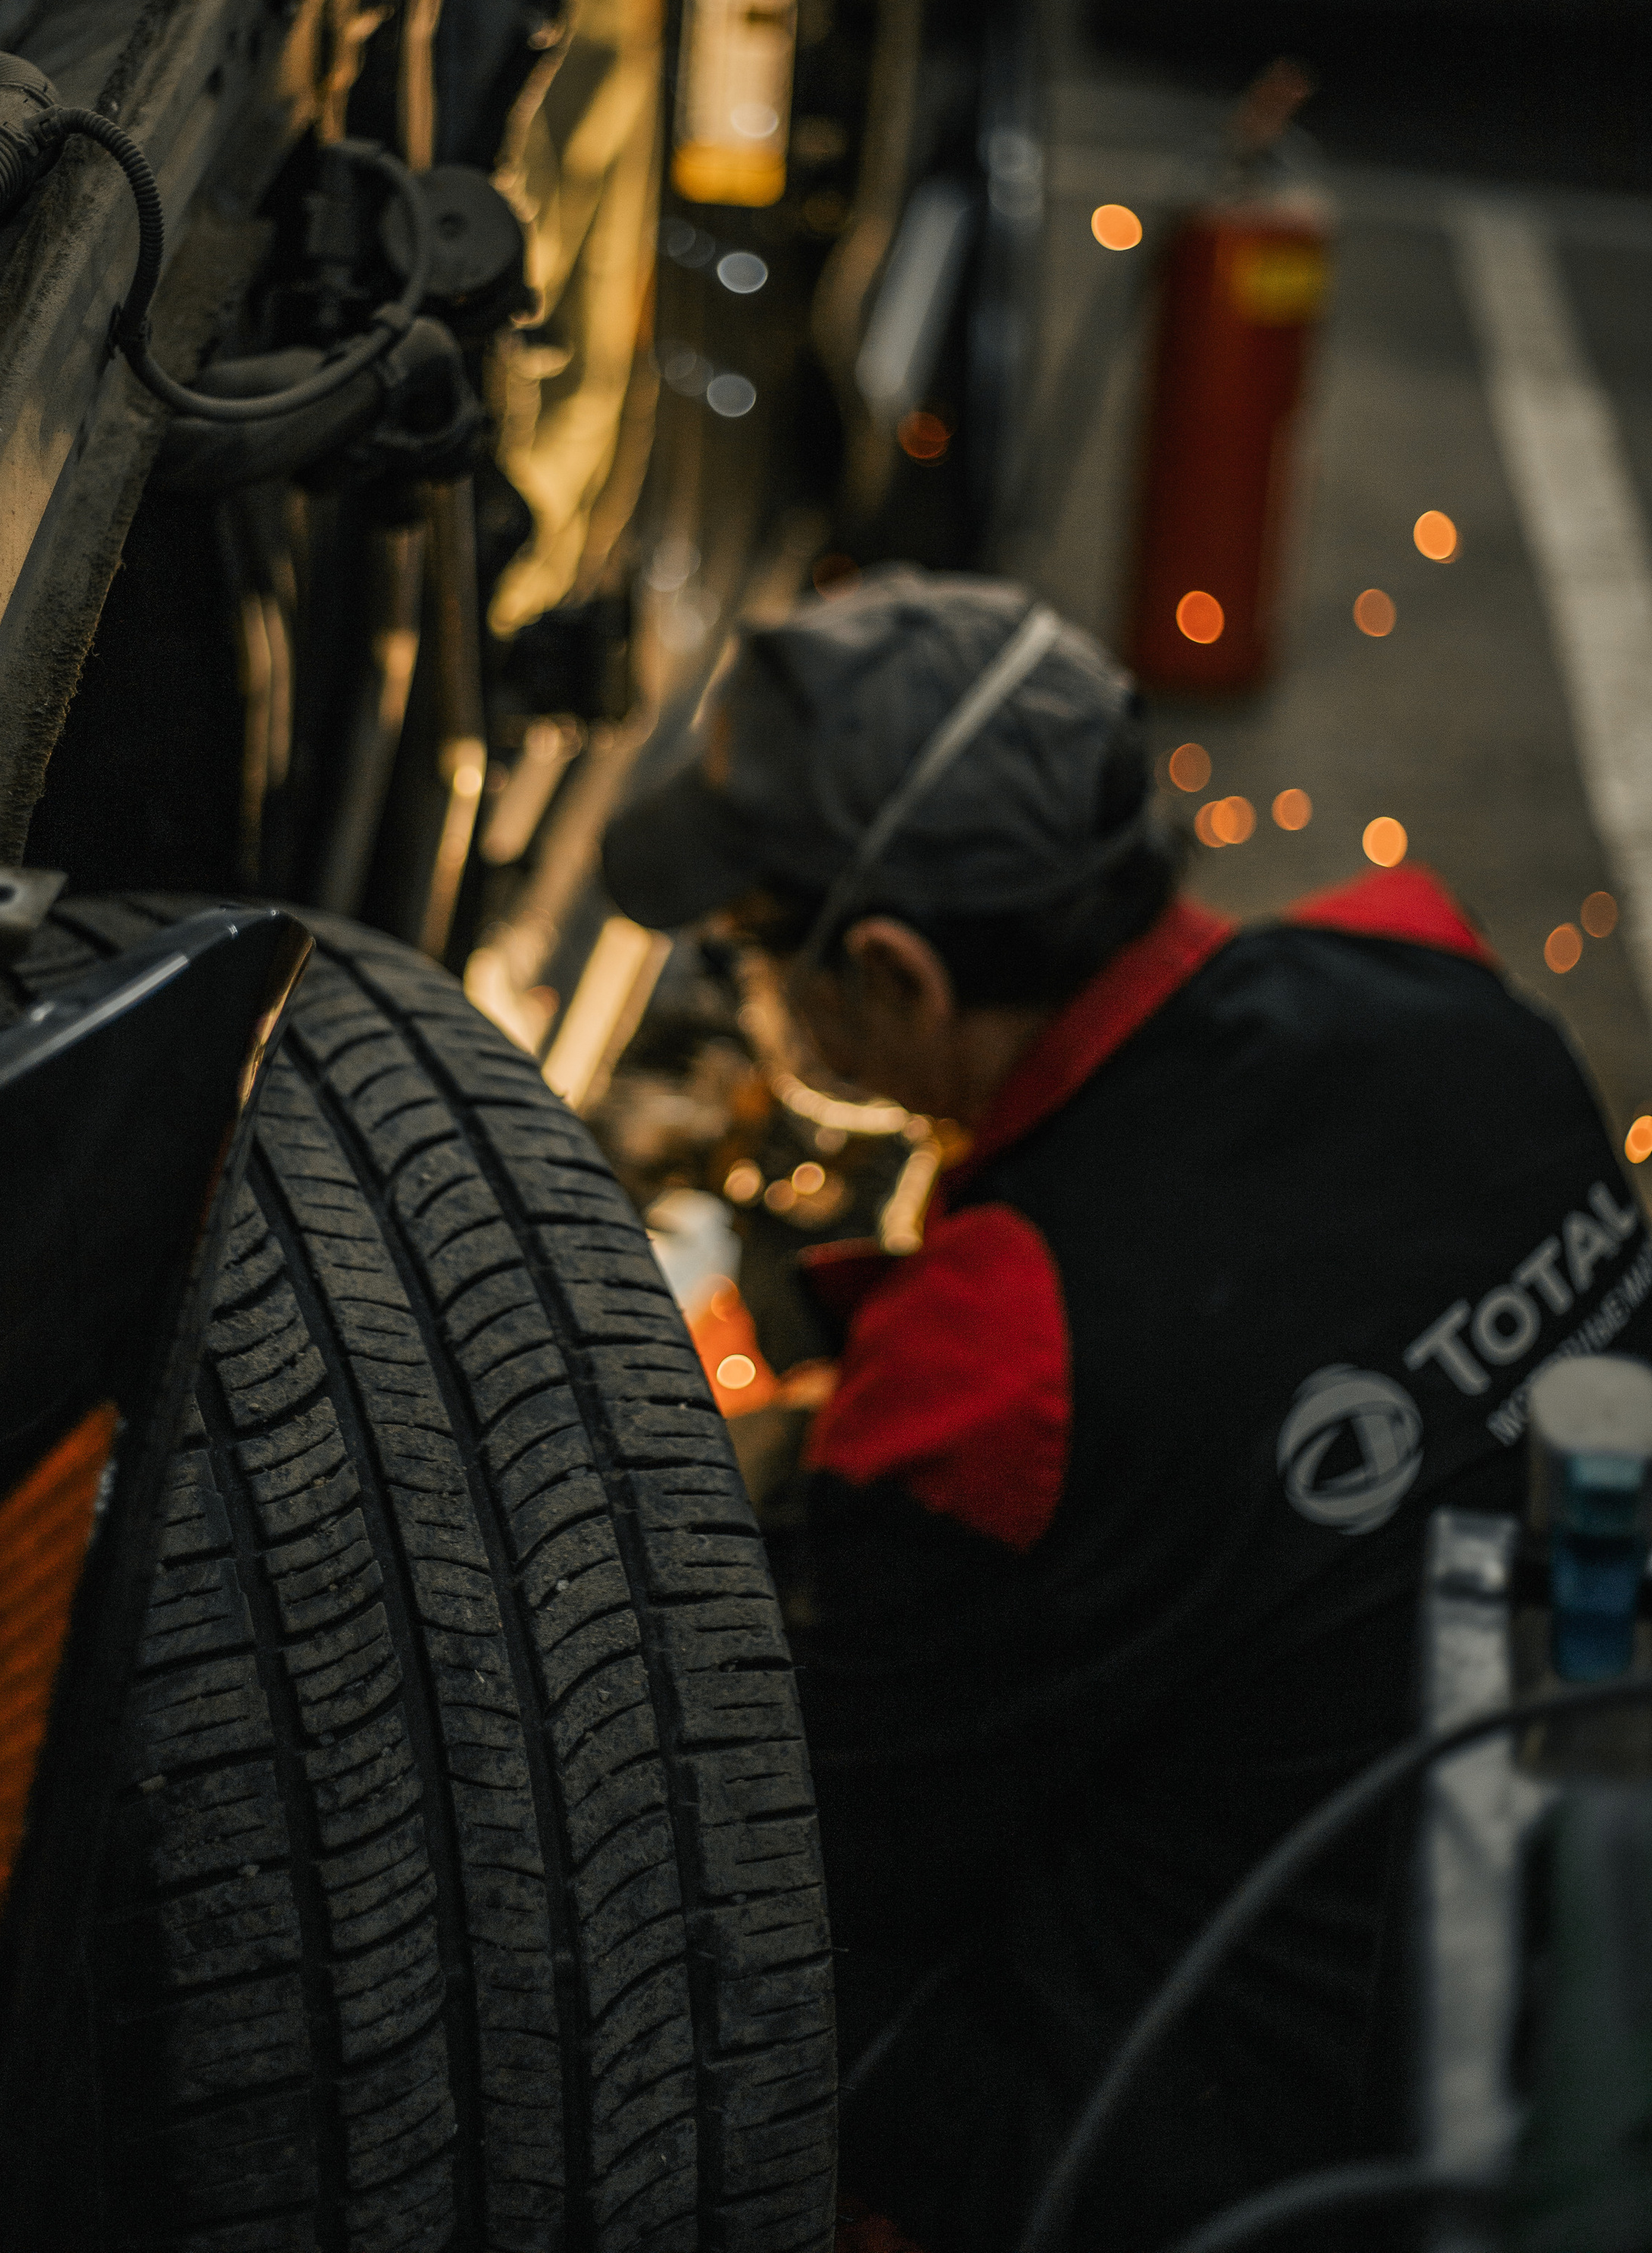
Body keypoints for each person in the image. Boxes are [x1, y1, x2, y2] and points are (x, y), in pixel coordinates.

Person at [601, 569, 1652, 2253]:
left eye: (751, 948)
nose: (748, 995)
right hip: (1540, 1915)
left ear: (890, 971)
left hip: (1212, 2152)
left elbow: (827, 1850)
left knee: (687, 1924)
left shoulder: (1000, 1364)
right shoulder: (1446, 997)